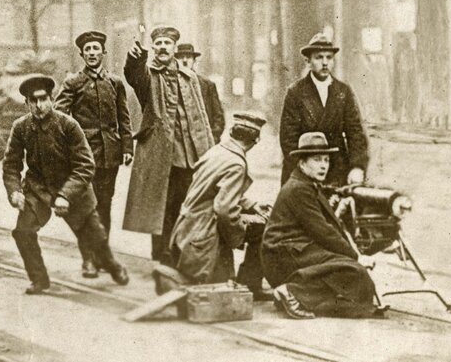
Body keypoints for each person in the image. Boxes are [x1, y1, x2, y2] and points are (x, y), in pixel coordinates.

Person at [3, 75, 129, 294]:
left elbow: (85, 165)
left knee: (95, 236)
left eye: (43, 99)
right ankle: (39, 279)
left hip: (72, 186)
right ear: (27, 103)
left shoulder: (68, 125)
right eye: (33, 101)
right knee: (23, 232)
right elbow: (11, 165)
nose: (39, 106)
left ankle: (112, 265)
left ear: (51, 99)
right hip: (38, 189)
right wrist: (14, 192)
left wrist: (66, 195)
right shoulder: (21, 127)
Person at [123, 26, 215, 266]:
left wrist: (209, 152)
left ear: (175, 48)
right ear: (153, 48)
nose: (163, 47)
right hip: (160, 154)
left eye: (167, 43)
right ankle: (161, 258)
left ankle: (179, 253)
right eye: (159, 43)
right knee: (160, 208)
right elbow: (133, 75)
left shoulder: (189, 77)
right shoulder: (148, 75)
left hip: (188, 154)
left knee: (187, 206)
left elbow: (201, 117)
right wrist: (135, 59)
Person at [261, 132, 378, 319]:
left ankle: (293, 295)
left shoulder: (306, 184)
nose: (324, 165)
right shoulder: (299, 188)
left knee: (354, 279)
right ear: (302, 163)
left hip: (294, 251)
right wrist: (356, 256)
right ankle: (293, 292)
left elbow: (329, 228)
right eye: (317, 160)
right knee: (353, 272)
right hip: (284, 256)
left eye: (326, 160)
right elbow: (322, 231)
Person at [55, 30, 133, 278]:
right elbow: (61, 118)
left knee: (105, 206)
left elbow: (124, 118)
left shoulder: (115, 83)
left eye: (95, 49)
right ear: (82, 54)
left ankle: (102, 256)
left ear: (103, 52)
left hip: (110, 153)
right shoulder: (73, 83)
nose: (91, 53)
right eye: (87, 49)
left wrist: (128, 147)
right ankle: (88, 259)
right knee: (86, 208)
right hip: (83, 156)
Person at [170, 112, 267, 284]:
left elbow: (211, 188)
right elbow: (225, 210)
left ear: (232, 132)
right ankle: (251, 285)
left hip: (187, 228)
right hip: (204, 234)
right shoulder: (236, 164)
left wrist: (252, 205)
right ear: (255, 141)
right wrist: (238, 235)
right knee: (263, 229)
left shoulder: (217, 151)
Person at [279, 33, 369, 187]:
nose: (325, 63)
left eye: (329, 57)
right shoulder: (296, 92)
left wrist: (357, 166)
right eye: (319, 57)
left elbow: (356, 133)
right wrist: (305, 168)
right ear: (308, 61)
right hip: (303, 170)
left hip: (337, 170)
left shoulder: (343, 91)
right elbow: (288, 139)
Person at [175, 43, 225, 143]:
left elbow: (218, 116)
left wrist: (213, 137)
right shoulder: (171, 83)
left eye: (188, 57)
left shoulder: (207, 85)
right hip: (180, 142)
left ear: (194, 61)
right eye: (181, 57)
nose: (185, 61)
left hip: (203, 141)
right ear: (176, 61)